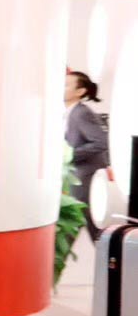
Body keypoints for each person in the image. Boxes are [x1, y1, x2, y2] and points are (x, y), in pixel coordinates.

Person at [65, 69, 111, 247]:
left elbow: (101, 142)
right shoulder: (70, 112)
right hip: (77, 178)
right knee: (89, 225)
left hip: (86, 178)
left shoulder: (81, 113)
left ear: (80, 91)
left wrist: (71, 155)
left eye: (66, 85)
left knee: (79, 223)